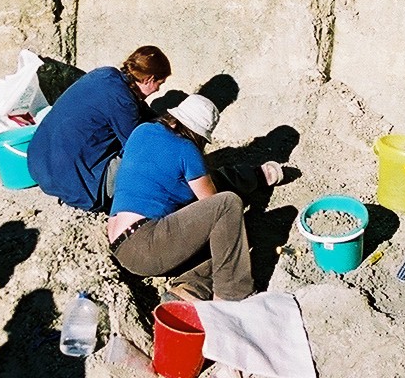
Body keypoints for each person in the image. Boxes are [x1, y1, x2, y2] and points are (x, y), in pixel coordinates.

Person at [105, 95, 282, 303]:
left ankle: (188, 291)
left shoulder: (142, 131)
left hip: (121, 245)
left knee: (227, 247)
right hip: (148, 242)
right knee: (228, 208)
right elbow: (214, 205)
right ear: (198, 135)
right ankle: (232, 294)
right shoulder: (186, 149)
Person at [27, 46, 171, 211]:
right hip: (76, 188)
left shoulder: (104, 75)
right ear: (149, 79)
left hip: (39, 167)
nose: (157, 90)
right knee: (153, 159)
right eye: (159, 84)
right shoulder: (123, 102)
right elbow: (138, 148)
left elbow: (136, 107)